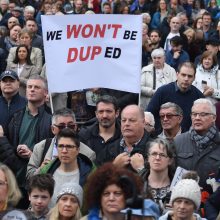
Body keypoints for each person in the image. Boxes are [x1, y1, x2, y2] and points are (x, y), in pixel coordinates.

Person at [0, 75, 52, 208]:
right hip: (15, 181)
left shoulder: (51, 120)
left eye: (37, 87)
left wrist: (32, 155)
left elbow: (52, 154)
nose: (32, 90)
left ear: (46, 93)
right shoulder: (15, 117)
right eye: (29, 87)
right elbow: (7, 151)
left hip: (38, 184)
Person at [26, 108, 96, 180]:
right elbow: (29, 176)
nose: (66, 129)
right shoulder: (40, 147)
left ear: (75, 127)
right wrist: (41, 170)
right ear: (53, 129)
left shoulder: (88, 154)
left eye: (70, 126)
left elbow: (90, 183)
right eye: (61, 126)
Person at [174, 98, 220, 194]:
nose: (197, 118)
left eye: (203, 114)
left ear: (214, 118)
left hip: (213, 203)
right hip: (183, 200)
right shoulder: (178, 141)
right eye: (194, 114)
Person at [40, 128, 94, 208]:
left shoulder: (91, 174)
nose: (64, 151)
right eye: (61, 146)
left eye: (69, 147)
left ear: (78, 150)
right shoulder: (46, 171)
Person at [147, 62, 204, 134]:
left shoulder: (198, 96)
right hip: (162, 137)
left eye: (189, 76)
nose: (186, 79)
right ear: (177, 75)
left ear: (194, 78)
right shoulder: (162, 91)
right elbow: (149, 114)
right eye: (183, 75)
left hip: (188, 139)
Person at [130, 138, 176, 213]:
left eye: (162, 155)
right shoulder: (136, 185)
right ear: (148, 158)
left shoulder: (178, 187)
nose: (157, 158)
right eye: (154, 154)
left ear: (170, 160)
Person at [0, 70, 26, 134]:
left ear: (18, 83)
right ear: (0, 84)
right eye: (4, 81)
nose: (8, 83)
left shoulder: (27, 104)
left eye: (12, 81)